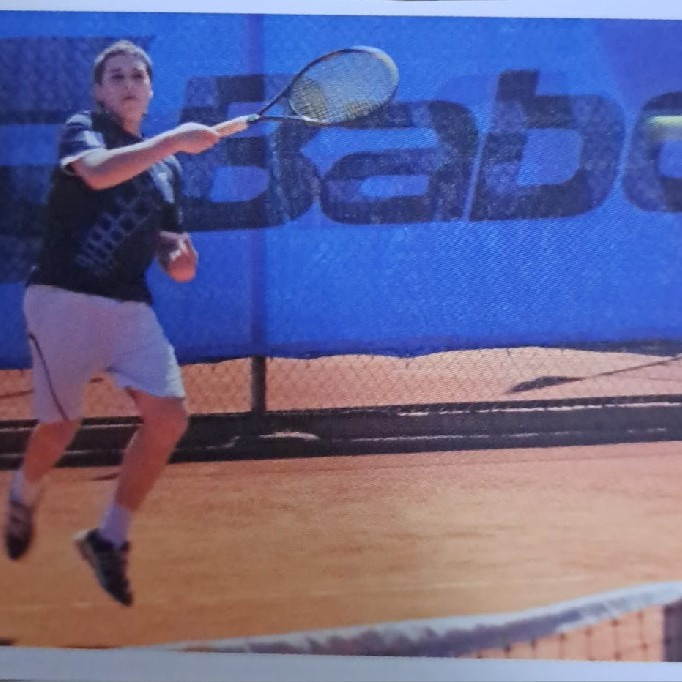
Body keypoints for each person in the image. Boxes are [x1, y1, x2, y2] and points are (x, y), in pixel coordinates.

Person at [3, 40, 247, 606]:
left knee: (169, 419)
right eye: (116, 77)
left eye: (138, 75)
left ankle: (109, 538)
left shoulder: (167, 170)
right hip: (63, 297)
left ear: (151, 89)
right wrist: (174, 139)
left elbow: (170, 248)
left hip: (128, 304)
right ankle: (23, 493)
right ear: (99, 90)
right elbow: (96, 175)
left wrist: (179, 259)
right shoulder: (84, 129)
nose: (129, 83)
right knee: (60, 428)